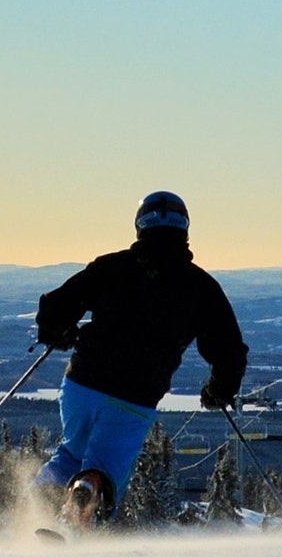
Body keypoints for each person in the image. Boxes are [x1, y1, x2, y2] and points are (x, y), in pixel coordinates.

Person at [32, 191, 248, 526]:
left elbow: (56, 306)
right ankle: (82, 510)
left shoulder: (111, 267)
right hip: (133, 396)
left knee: (73, 452)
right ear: (185, 228)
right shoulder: (200, 287)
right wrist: (219, 390)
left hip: (81, 384)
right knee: (102, 469)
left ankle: (41, 507)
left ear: (140, 225)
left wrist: (57, 333)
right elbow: (229, 350)